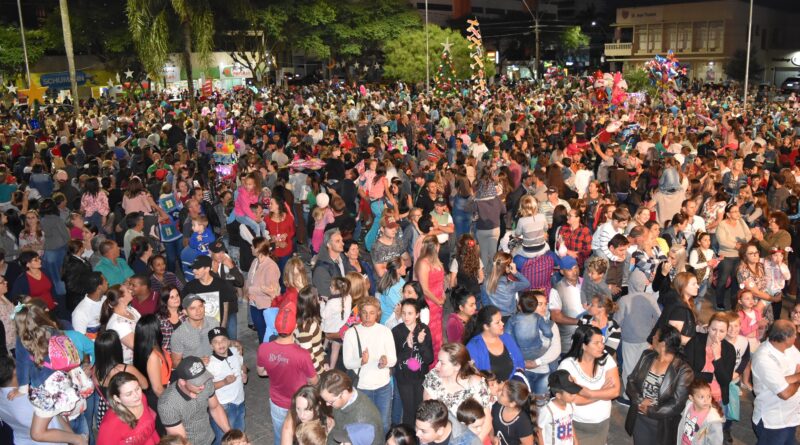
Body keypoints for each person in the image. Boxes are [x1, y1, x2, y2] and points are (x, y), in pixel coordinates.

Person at [256, 303, 318, 444]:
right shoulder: (302, 354)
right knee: (301, 437)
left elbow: (261, 372)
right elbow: (313, 381)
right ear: (295, 326)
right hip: (299, 404)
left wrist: (276, 367)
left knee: (280, 436)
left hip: (277, 401)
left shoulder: (264, 348)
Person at [625, 324, 694, 445]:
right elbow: (631, 381)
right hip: (640, 418)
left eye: (655, 336)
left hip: (662, 423)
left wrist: (650, 411)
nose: (652, 337)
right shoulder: (647, 356)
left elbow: (677, 404)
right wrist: (640, 400)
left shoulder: (683, 370)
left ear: (663, 344)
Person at [557, 325, 620, 445]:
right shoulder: (567, 366)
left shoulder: (606, 359)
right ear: (583, 345)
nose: (602, 346)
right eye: (596, 343)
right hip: (577, 425)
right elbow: (574, 399)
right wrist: (601, 392)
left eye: (602, 341)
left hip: (603, 422)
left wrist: (588, 393)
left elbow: (615, 391)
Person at [342, 296, 397, 432]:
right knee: (363, 425)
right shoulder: (350, 333)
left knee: (383, 424)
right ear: (359, 313)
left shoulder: (385, 331)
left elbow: (393, 359)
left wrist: (386, 361)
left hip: (383, 387)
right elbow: (347, 363)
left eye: (372, 313)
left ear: (378, 314)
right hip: (361, 388)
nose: (367, 316)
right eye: (364, 313)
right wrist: (361, 361)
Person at [0, 354, 78, 445]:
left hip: (23, 440)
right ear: (15, 371)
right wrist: (75, 438)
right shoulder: (34, 396)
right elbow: (57, 417)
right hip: (53, 440)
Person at [422, 343, 492, 440]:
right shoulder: (433, 378)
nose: (436, 366)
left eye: (442, 363)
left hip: (473, 438)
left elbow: (487, 423)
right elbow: (429, 419)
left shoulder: (476, 384)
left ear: (457, 366)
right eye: (438, 361)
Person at [157, 356, 231, 445]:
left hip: (209, 437)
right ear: (182, 382)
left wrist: (230, 434)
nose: (203, 386)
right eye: (197, 383)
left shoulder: (205, 382)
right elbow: (181, 441)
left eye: (203, 379)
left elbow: (215, 407)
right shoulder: (168, 404)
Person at [750, 319, 800, 444]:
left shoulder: (790, 348)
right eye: (795, 335)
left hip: (790, 417)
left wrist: (790, 378)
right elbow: (785, 393)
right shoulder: (764, 358)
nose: (796, 337)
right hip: (772, 423)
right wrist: (798, 377)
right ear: (786, 338)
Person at [392, 298, 434, 426]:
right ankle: (409, 438)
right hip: (404, 379)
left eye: (410, 313)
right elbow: (394, 359)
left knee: (421, 411)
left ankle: (420, 437)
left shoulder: (423, 329)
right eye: (403, 313)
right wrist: (408, 346)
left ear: (417, 314)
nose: (406, 316)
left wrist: (420, 344)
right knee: (409, 412)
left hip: (421, 377)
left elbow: (429, 359)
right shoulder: (397, 331)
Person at [684, 313, 735, 409]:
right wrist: (710, 376)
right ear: (708, 328)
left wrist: (717, 357)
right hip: (694, 395)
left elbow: (725, 381)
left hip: (716, 398)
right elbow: (686, 372)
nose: (717, 334)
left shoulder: (729, 350)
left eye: (722, 331)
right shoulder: (695, 342)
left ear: (727, 332)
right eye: (713, 329)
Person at [318, 370, 383, 445]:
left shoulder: (363, 422)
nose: (327, 404)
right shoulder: (342, 402)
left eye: (330, 401)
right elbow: (338, 429)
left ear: (344, 393)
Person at [206, 327, 247, 445]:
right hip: (224, 407)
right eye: (216, 342)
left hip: (240, 401)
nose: (220, 344)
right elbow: (207, 388)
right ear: (211, 346)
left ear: (229, 341)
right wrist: (224, 382)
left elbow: (242, 365)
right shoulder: (211, 364)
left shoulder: (235, 351)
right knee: (223, 438)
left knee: (239, 436)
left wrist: (244, 373)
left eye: (223, 340)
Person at [97, 372, 160, 445]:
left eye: (137, 389)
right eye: (129, 394)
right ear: (117, 398)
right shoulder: (110, 424)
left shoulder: (142, 399)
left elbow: (151, 432)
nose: (136, 396)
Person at [416, 234, 446, 365]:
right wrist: (438, 301)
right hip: (429, 304)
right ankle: (429, 364)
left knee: (438, 333)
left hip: (439, 302)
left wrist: (443, 294)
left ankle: (437, 362)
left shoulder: (437, 261)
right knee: (430, 334)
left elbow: (441, 281)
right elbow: (425, 289)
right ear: (435, 247)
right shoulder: (423, 263)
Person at [182, 255, 235, 327]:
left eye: (197, 268)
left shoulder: (221, 284)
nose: (194, 271)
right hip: (199, 328)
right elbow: (184, 307)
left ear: (207, 269)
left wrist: (223, 324)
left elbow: (225, 304)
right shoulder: (189, 287)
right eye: (193, 268)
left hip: (217, 325)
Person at [243, 238, 280, 343]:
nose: (250, 247)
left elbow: (273, 290)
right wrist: (247, 291)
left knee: (267, 335)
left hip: (266, 306)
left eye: (252, 246)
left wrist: (251, 290)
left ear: (258, 249)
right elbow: (249, 279)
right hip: (254, 304)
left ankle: (267, 355)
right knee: (260, 332)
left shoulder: (271, 266)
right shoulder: (255, 261)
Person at [170, 294, 216, 366]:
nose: (198, 311)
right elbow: (175, 363)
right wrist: (195, 362)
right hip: (195, 372)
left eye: (200, 306)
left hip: (217, 366)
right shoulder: (178, 334)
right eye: (192, 308)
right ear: (185, 312)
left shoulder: (213, 322)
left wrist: (231, 343)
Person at [537, 370, 580, 445]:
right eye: (571, 393)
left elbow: (569, 423)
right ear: (559, 395)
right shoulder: (548, 410)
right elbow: (539, 430)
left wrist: (576, 441)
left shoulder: (569, 406)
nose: (574, 395)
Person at [101, 284, 142, 364]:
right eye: (127, 290)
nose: (131, 290)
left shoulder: (131, 310)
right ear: (120, 298)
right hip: (128, 364)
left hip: (139, 359)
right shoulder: (117, 323)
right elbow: (137, 346)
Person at [482, 252, 531, 319]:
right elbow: (527, 283)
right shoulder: (511, 285)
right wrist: (516, 272)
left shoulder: (486, 282)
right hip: (509, 316)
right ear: (507, 268)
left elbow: (485, 302)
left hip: (494, 316)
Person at [676, 380, 724, 445]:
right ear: (691, 398)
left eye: (709, 396)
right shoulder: (688, 406)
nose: (706, 400)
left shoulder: (713, 420)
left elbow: (716, 442)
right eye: (702, 397)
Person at [415, 399, 482, 445]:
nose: (417, 434)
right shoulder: (422, 433)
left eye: (423, 431)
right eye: (416, 427)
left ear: (440, 431)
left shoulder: (470, 442)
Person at [491, 378, 535, 445]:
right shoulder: (497, 406)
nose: (498, 392)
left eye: (502, 394)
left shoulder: (523, 422)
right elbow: (490, 425)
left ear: (512, 404)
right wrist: (492, 437)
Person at [71, 271, 108, 340]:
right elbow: (81, 340)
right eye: (105, 281)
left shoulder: (105, 299)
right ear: (99, 288)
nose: (107, 283)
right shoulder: (80, 313)